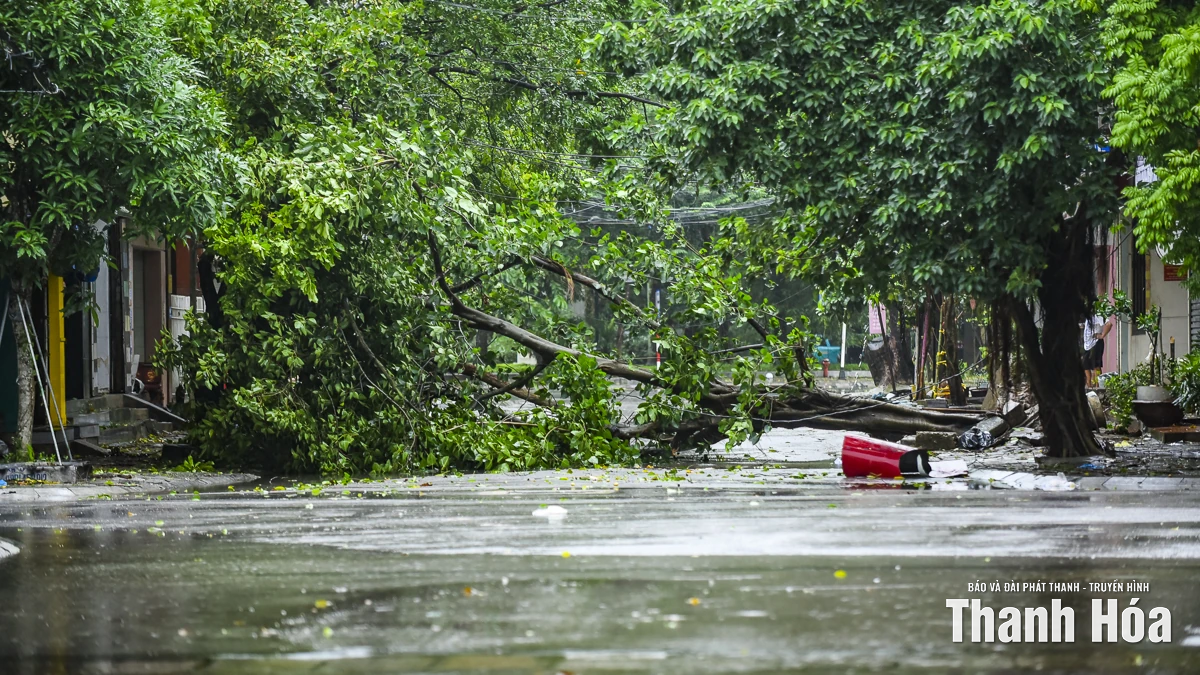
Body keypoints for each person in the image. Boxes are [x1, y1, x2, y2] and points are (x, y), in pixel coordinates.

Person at [1081, 313, 1113, 388]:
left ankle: (1097, 386)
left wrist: (1102, 335)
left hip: (1096, 343)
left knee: (1096, 366)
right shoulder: (1088, 316)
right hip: (1087, 344)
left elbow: (1109, 324)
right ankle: (1089, 385)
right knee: (1085, 365)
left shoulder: (1098, 315)